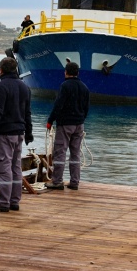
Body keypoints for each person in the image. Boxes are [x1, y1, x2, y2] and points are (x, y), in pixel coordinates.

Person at [0, 57, 32, 212]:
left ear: (1, 70)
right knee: (15, 167)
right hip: (19, 133)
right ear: (15, 70)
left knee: (3, 167)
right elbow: (27, 113)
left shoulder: (1, 87)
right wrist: (29, 132)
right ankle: (14, 201)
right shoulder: (25, 87)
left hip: (4, 134)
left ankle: (3, 202)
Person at [45, 62, 90, 191]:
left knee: (60, 152)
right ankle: (74, 181)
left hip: (65, 124)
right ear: (78, 73)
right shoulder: (84, 87)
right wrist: (80, 119)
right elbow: (86, 108)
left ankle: (57, 181)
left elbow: (58, 105)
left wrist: (50, 120)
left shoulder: (64, 86)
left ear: (65, 72)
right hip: (79, 125)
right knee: (75, 154)